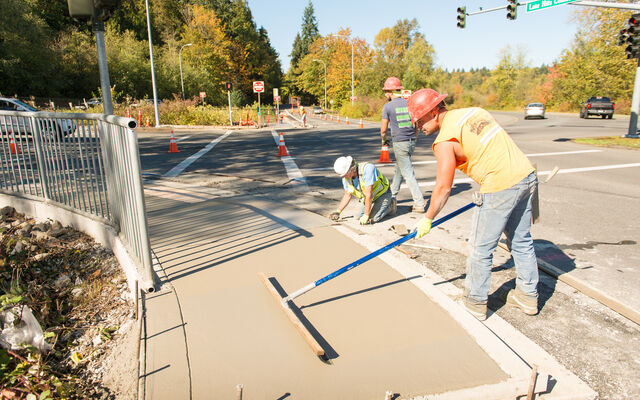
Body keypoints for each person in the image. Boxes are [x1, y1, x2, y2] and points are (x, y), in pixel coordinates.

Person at [407, 88, 539, 321]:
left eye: (419, 121)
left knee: (480, 248)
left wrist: (428, 218)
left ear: (435, 111)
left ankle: (475, 302)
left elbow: (443, 188)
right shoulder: (474, 112)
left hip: (499, 185)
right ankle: (528, 296)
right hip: (526, 175)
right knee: (521, 241)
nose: (419, 128)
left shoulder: (444, 140)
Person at [380, 77, 426, 213]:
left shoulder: (388, 106)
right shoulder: (409, 103)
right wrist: (414, 137)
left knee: (408, 173)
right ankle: (392, 197)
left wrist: (384, 139)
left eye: (386, 91)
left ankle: (419, 203)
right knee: (400, 170)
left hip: (399, 142)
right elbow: (417, 123)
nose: (385, 94)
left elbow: (383, 129)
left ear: (390, 91)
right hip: (411, 141)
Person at [329, 156, 396, 225]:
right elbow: (347, 195)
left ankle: (391, 205)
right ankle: (377, 208)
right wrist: (338, 211)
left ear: (351, 170)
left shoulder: (367, 169)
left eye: (344, 174)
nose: (343, 177)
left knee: (371, 219)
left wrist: (366, 215)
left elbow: (369, 195)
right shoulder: (346, 178)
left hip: (383, 193)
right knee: (360, 218)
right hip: (370, 197)